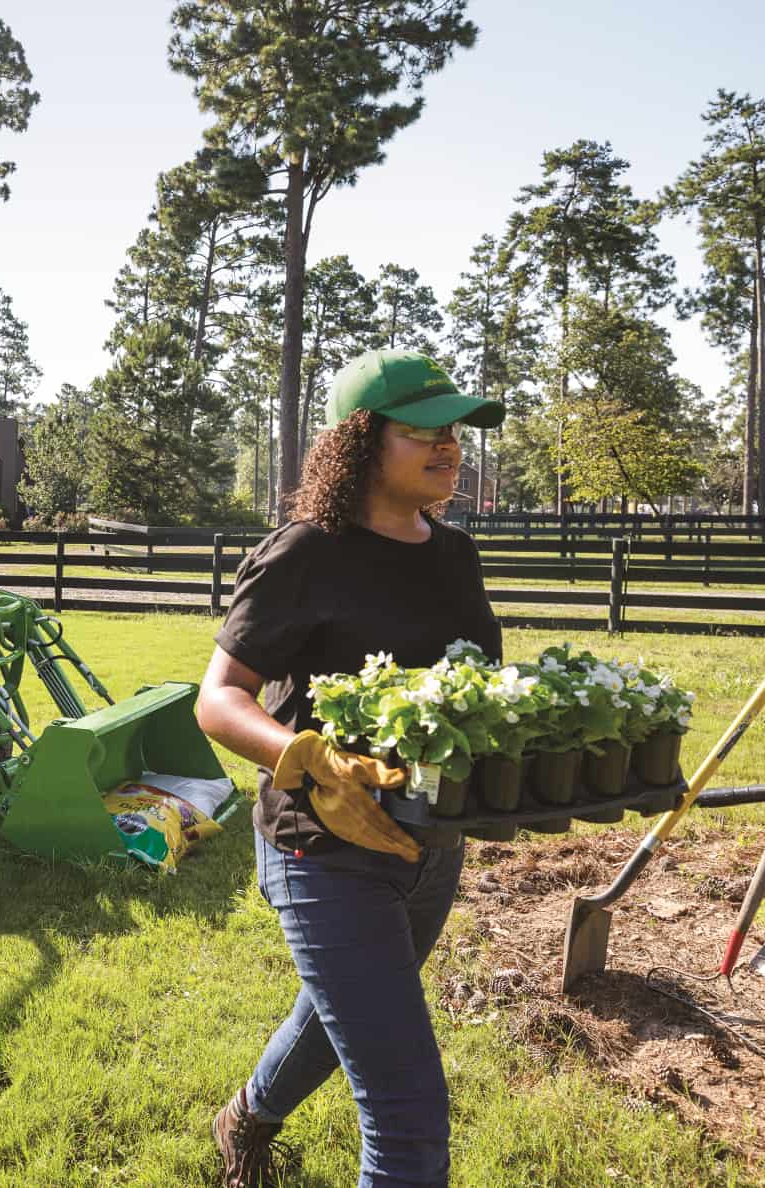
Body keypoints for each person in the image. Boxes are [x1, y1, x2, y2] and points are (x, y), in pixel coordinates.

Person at [195, 349, 505, 1188]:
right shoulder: (306, 551)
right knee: (407, 1110)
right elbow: (218, 698)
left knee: (339, 1017)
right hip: (320, 850)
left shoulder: (453, 551)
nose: (449, 449)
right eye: (424, 434)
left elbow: (464, 686)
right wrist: (307, 757)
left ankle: (243, 1120)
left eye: (455, 435)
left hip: (428, 844)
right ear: (362, 442)